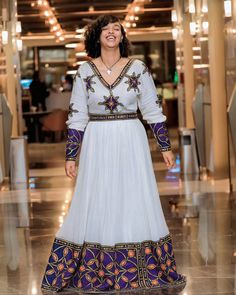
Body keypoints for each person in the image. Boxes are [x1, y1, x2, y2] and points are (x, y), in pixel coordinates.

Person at [41, 15, 186, 293]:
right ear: (97, 37)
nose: (111, 33)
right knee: (98, 196)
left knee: (133, 196)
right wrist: (71, 155)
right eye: (105, 29)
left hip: (131, 139)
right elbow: (77, 116)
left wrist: (165, 146)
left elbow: (152, 109)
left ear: (122, 36)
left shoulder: (138, 68)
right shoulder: (84, 71)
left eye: (116, 29)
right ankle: (97, 268)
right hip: (97, 141)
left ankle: (138, 268)